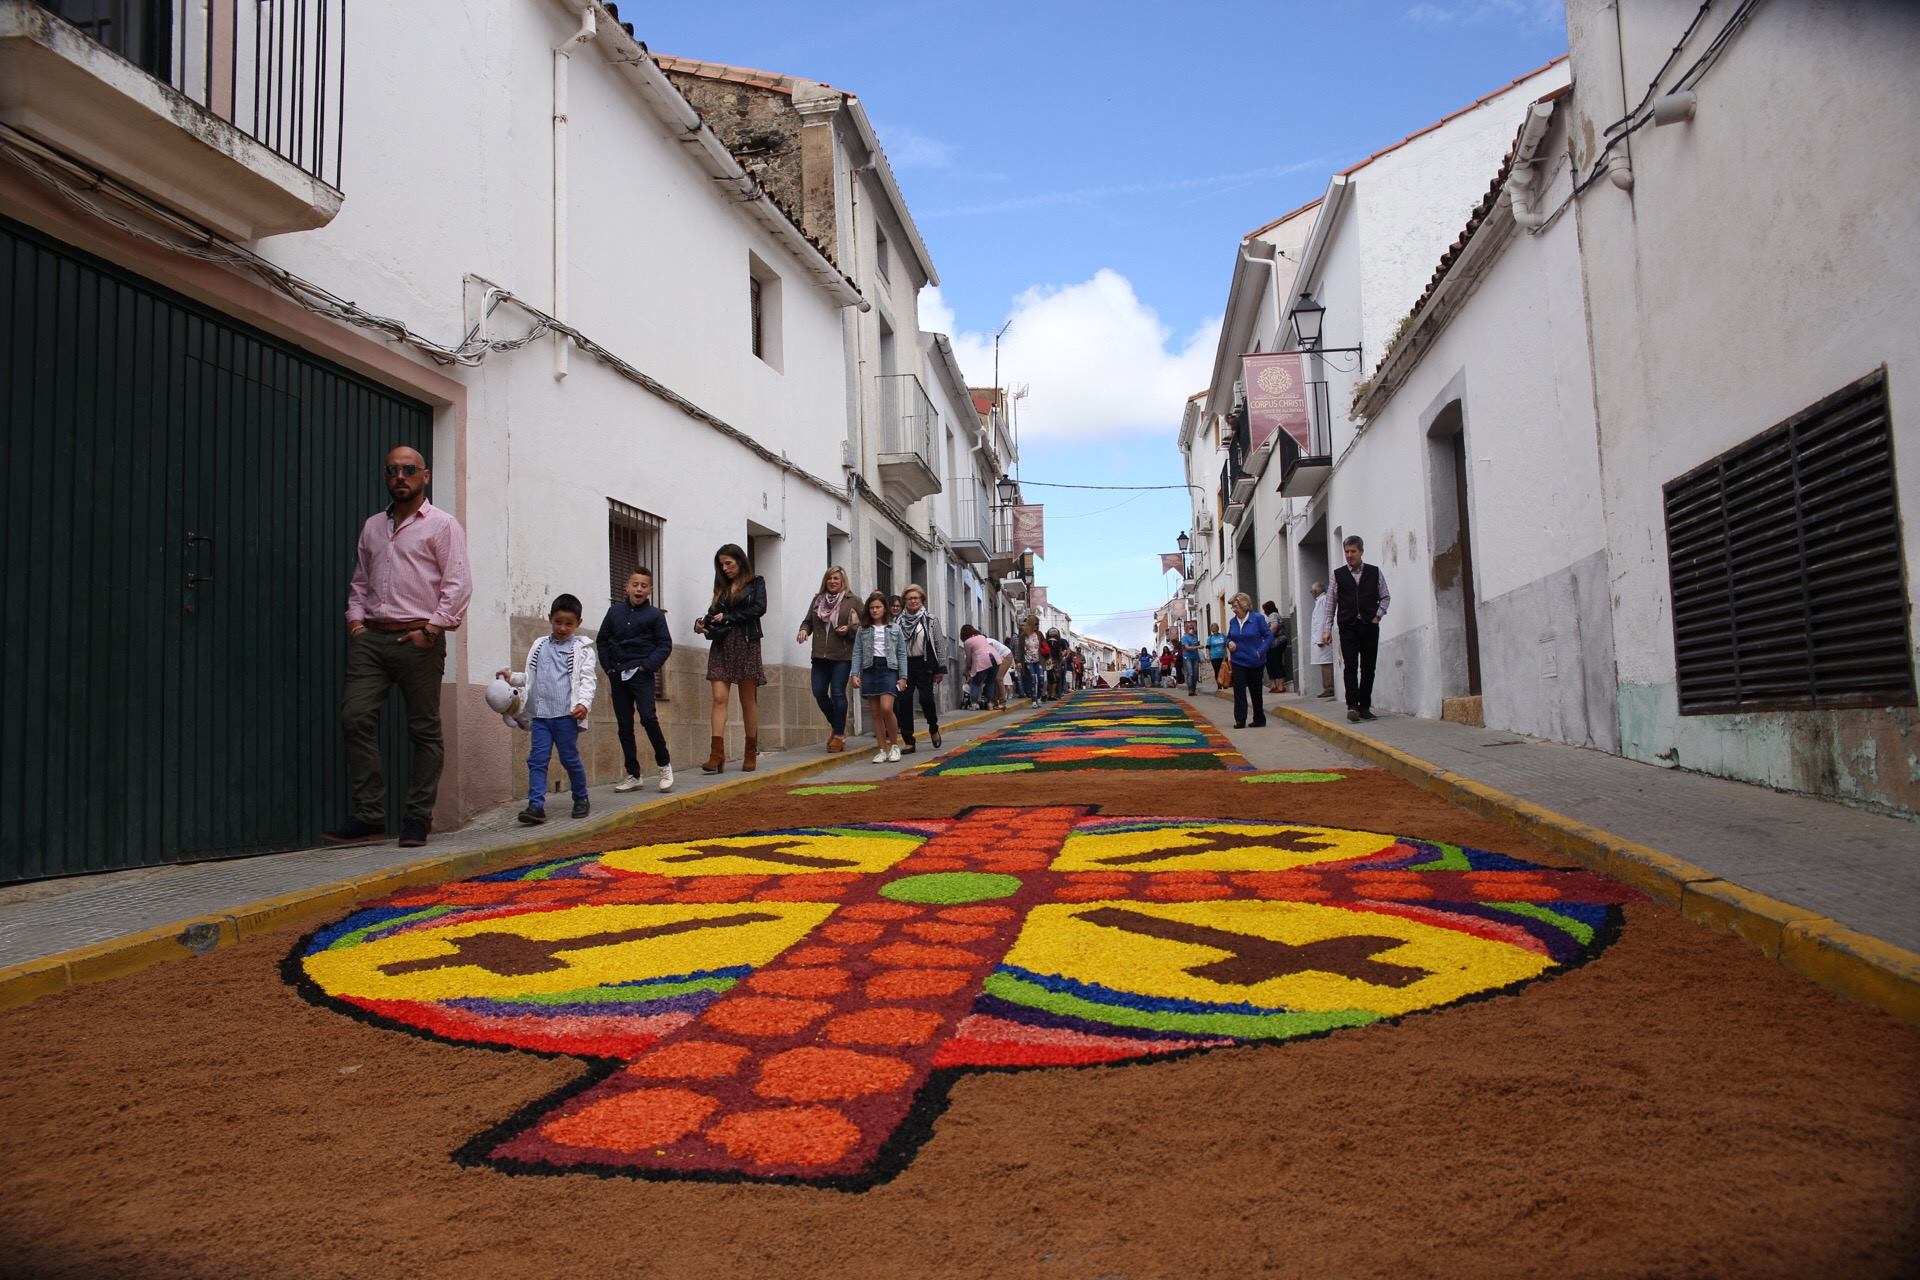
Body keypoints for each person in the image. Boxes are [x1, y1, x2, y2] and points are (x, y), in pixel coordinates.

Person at [326, 445, 472, 850]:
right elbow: (360, 580)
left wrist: (432, 630)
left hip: (418, 640)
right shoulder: (373, 526)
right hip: (371, 638)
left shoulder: (443, 525)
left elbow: (458, 584)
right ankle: (370, 815)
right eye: (392, 470)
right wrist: (355, 620)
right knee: (355, 716)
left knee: (423, 729)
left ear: (425, 476)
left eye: (409, 469)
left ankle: (417, 817)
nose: (400, 476)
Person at [499, 593, 598, 825]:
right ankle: (536, 805)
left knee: (569, 758)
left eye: (569, 623)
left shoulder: (582, 649)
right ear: (550, 619)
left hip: (566, 715)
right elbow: (531, 677)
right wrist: (512, 678)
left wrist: (584, 703)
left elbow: (587, 679)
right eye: (558, 622)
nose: (563, 628)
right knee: (537, 759)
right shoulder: (539, 645)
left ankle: (581, 797)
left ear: (578, 624)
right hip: (541, 716)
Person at [597, 568, 674, 794]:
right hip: (617, 674)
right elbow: (602, 641)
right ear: (627, 586)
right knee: (624, 726)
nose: (639, 589)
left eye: (644, 586)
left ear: (650, 590)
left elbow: (664, 645)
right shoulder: (614, 612)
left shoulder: (655, 616)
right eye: (635, 584)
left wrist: (646, 666)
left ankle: (664, 766)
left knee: (649, 718)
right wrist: (609, 667)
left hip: (642, 675)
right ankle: (633, 774)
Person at [694, 543, 768, 773]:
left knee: (747, 700)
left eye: (729, 563)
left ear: (740, 561)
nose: (725, 568)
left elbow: (759, 608)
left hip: (746, 643)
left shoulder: (756, 583)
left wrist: (728, 616)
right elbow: (711, 614)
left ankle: (749, 751)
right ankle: (716, 755)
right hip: (722, 645)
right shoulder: (721, 589)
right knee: (718, 697)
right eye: (721, 564)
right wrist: (701, 624)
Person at [796, 565, 860, 753]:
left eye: (836, 579)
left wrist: (849, 629)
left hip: (841, 655)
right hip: (819, 655)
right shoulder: (818, 600)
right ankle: (837, 725)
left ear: (842, 582)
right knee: (819, 692)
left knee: (838, 693)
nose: (832, 582)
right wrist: (804, 630)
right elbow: (808, 620)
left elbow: (864, 627)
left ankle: (839, 735)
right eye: (830, 578)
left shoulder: (853, 600)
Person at [1331, 534, 1390, 722]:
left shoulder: (1374, 572)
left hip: (1369, 625)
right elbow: (1330, 603)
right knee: (1350, 666)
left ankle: (1365, 707)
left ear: (1361, 552)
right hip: (1348, 626)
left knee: (1368, 667)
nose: (1349, 555)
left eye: (1353, 551)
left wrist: (1377, 616)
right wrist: (1326, 628)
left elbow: (1385, 596)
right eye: (1346, 551)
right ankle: (1352, 706)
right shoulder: (1338, 575)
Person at [851, 591, 908, 762]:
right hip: (870, 669)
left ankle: (895, 746)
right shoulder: (863, 629)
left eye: (878, 607)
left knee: (886, 708)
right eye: (872, 608)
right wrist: (854, 673)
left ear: (885, 609)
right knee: (875, 713)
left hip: (889, 669)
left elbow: (902, 653)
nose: (875, 610)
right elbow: (857, 653)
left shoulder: (895, 628)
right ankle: (882, 749)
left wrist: (903, 677)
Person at [896, 584, 948, 754]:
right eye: (909, 598)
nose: (913, 601)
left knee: (926, 700)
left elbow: (939, 644)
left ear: (922, 600)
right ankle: (909, 741)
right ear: (905, 601)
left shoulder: (930, 620)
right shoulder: (897, 621)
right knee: (903, 702)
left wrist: (940, 668)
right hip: (904, 665)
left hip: (925, 664)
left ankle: (933, 727)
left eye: (916, 598)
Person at [1225, 592, 1271, 729]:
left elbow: (1268, 637)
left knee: (1255, 691)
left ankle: (1259, 718)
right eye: (1232, 607)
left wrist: (1260, 651)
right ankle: (1240, 719)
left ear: (1244, 605)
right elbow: (1228, 637)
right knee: (1239, 691)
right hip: (1238, 660)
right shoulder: (1233, 621)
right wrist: (1229, 643)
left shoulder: (1257, 619)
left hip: (1255, 660)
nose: (1233, 609)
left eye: (1235, 606)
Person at [1310, 581, 1337, 699]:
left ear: (1316, 592)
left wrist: (1321, 638)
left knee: (1326, 663)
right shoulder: (1320, 601)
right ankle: (1327, 687)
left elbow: (1321, 620)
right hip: (1321, 638)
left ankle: (1329, 687)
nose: (1312, 594)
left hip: (1323, 639)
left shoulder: (1322, 601)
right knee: (1323, 663)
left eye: (1312, 591)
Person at [960, 624, 997, 710]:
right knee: (990, 681)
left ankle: (974, 704)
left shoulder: (967, 642)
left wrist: (968, 668)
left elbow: (969, 658)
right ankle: (990, 703)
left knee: (976, 682)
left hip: (982, 660)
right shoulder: (981, 637)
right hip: (994, 658)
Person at [1262, 600, 1290, 694]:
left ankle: (1281, 686)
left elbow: (1274, 627)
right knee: (1270, 663)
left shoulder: (1273, 615)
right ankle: (1273, 685)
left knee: (1276, 662)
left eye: (1265, 609)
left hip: (1277, 643)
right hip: (1271, 644)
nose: (1264, 611)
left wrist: (1266, 637)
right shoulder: (1270, 616)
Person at [1020, 616, 1046, 706]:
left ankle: (1039, 697)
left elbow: (1045, 645)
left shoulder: (1039, 634)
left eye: (1038, 624)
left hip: (1038, 660)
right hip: (1028, 661)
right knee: (1032, 679)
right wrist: (1018, 662)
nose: (1037, 626)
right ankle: (1034, 700)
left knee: (1041, 678)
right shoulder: (1023, 636)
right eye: (1036, 624)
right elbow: (1019, 650)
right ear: (1031, 624)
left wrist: (1048, 657)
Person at [1180, 622, 1204, 695]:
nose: (1191, 630)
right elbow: (1187, 647)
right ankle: (1190, 690)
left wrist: (1198, 645)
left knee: (1195, 674)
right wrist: (1197, 647)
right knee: (1190, 673)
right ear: (1186, 629)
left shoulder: (1195, 637)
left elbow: (1195, 645)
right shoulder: (1184, 637)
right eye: (1190, 628)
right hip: (1187, 657)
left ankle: (1194, 689)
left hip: (1195, 657)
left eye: (1192, 628)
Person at [1205, 622, 1228, 688]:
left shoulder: (1222, 636)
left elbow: (1227, 645)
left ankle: (1225, 684)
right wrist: (1208, 656)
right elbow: (1207, 648)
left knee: (1224, 671)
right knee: (1217, 671)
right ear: (1211, 630)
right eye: (1213, 630)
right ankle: (1219, 685)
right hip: (1214, 657)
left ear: (1218, 629)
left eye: (1215, 629)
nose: (1214, 631)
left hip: (1223, 656)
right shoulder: (1210, 638)